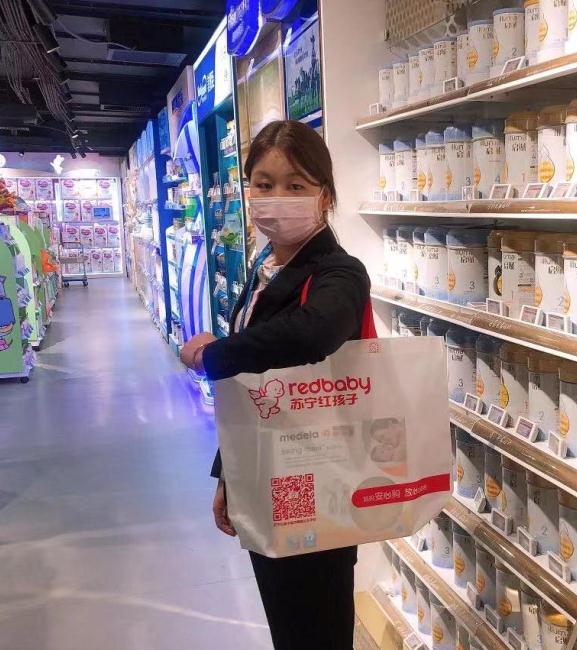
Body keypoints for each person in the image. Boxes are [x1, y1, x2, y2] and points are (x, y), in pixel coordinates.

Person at [180, 120, 370, 650]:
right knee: (288, 623)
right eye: (264, 184)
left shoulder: (339, 272)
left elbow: (313, 333)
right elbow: (251, 387)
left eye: (295, 185)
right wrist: (230, 474)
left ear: (324, 196)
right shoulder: (267, 267)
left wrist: (212, 354)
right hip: (269, 473)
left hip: (319, 478)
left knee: (317, 627)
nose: (276, 198)